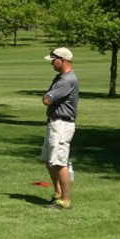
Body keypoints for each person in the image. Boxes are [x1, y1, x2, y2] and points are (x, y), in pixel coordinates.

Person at [41, 47, 79, 209]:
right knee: (48, 160)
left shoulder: (67, 80)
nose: (51, 64)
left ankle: (65, 201)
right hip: (55, 123)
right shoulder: (60, 78)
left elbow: (47, 99)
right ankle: (57, 193)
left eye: (53, 60)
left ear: (62, 60)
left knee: (59, 162)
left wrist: (47, 96)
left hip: (62, 125)